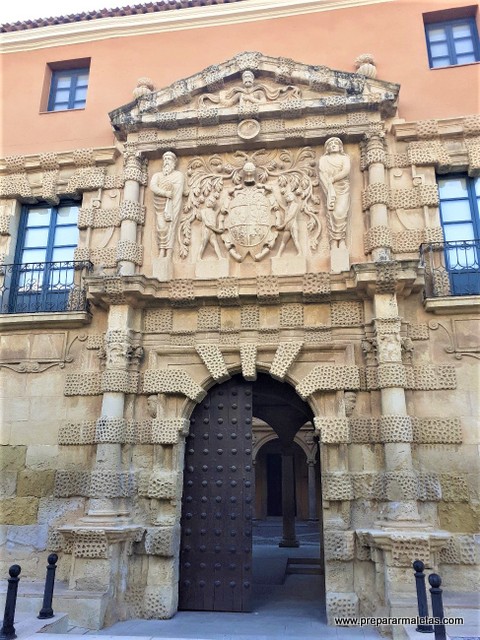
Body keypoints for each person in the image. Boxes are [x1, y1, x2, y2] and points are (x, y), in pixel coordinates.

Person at [149, 151, 185, 257]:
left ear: (174, 162)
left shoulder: (179, 176)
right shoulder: (157, 175)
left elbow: (182, 190)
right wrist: (165, 193)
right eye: (165, 159)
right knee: (161, 228)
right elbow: (153, 186)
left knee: (171, 226)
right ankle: (161, 249)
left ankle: (168, 252)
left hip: (173, 206)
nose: (167, 162)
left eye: (169, 159)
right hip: (160, 205)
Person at [318, 137, 351, 250]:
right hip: (329, 188)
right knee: (331, 213)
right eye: (330, 143)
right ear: (327, 148)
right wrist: (328, 186)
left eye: (335, 143)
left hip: (342, 188)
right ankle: (333, 241)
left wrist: (334, 179)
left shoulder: (344, 158)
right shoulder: (323, 160)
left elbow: (346, 170)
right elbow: (322, 173)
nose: (333, 145)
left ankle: (341, 239)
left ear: (340, 146)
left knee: (341, 213)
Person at [276, 189, 302, 257]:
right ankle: (278, 255)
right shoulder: (287, 208)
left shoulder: (295, 205)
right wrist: (275, 196)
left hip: (293, 224)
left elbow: (291, 215)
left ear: (293, 197)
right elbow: (281, 205)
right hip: (287, 226)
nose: (287, 197)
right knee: (283, 241)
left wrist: (283, 225)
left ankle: (300, 253)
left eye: (289, 196)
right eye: (286, 196)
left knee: (296, 239)